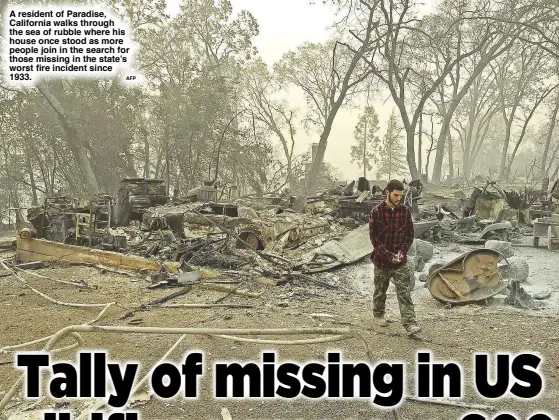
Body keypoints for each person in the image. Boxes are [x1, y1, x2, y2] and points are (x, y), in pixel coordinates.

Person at [369, 179, 421, 335]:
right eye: (396, 195)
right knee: (380, 290)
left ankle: (410, 323)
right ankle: (378, 314)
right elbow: (375, 240)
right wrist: (388, 255)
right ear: (387, 193)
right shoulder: (376, 212)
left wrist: (402, 252)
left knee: (404, 291)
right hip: (381, 260)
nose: (399, 198)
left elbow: (409, 235)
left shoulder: (405, 211)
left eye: (401, 195)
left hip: (400, 260)